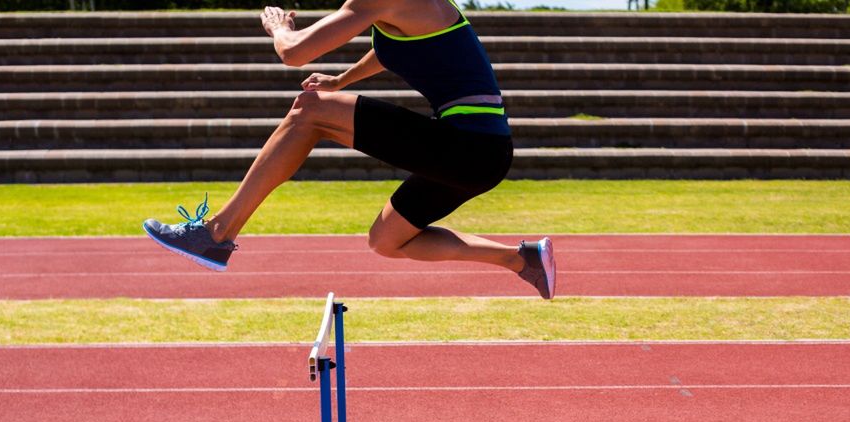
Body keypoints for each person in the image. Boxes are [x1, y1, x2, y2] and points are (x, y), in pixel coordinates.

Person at [142, 0, 556, 300]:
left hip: (469, 145)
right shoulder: (402, 8)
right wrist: (341, 80)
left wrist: (277, 27)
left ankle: (216, 233)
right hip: (481, 153)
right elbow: (392, 48)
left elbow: (294, 53)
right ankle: (522, 260)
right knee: (387, 240)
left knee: (308, 112)